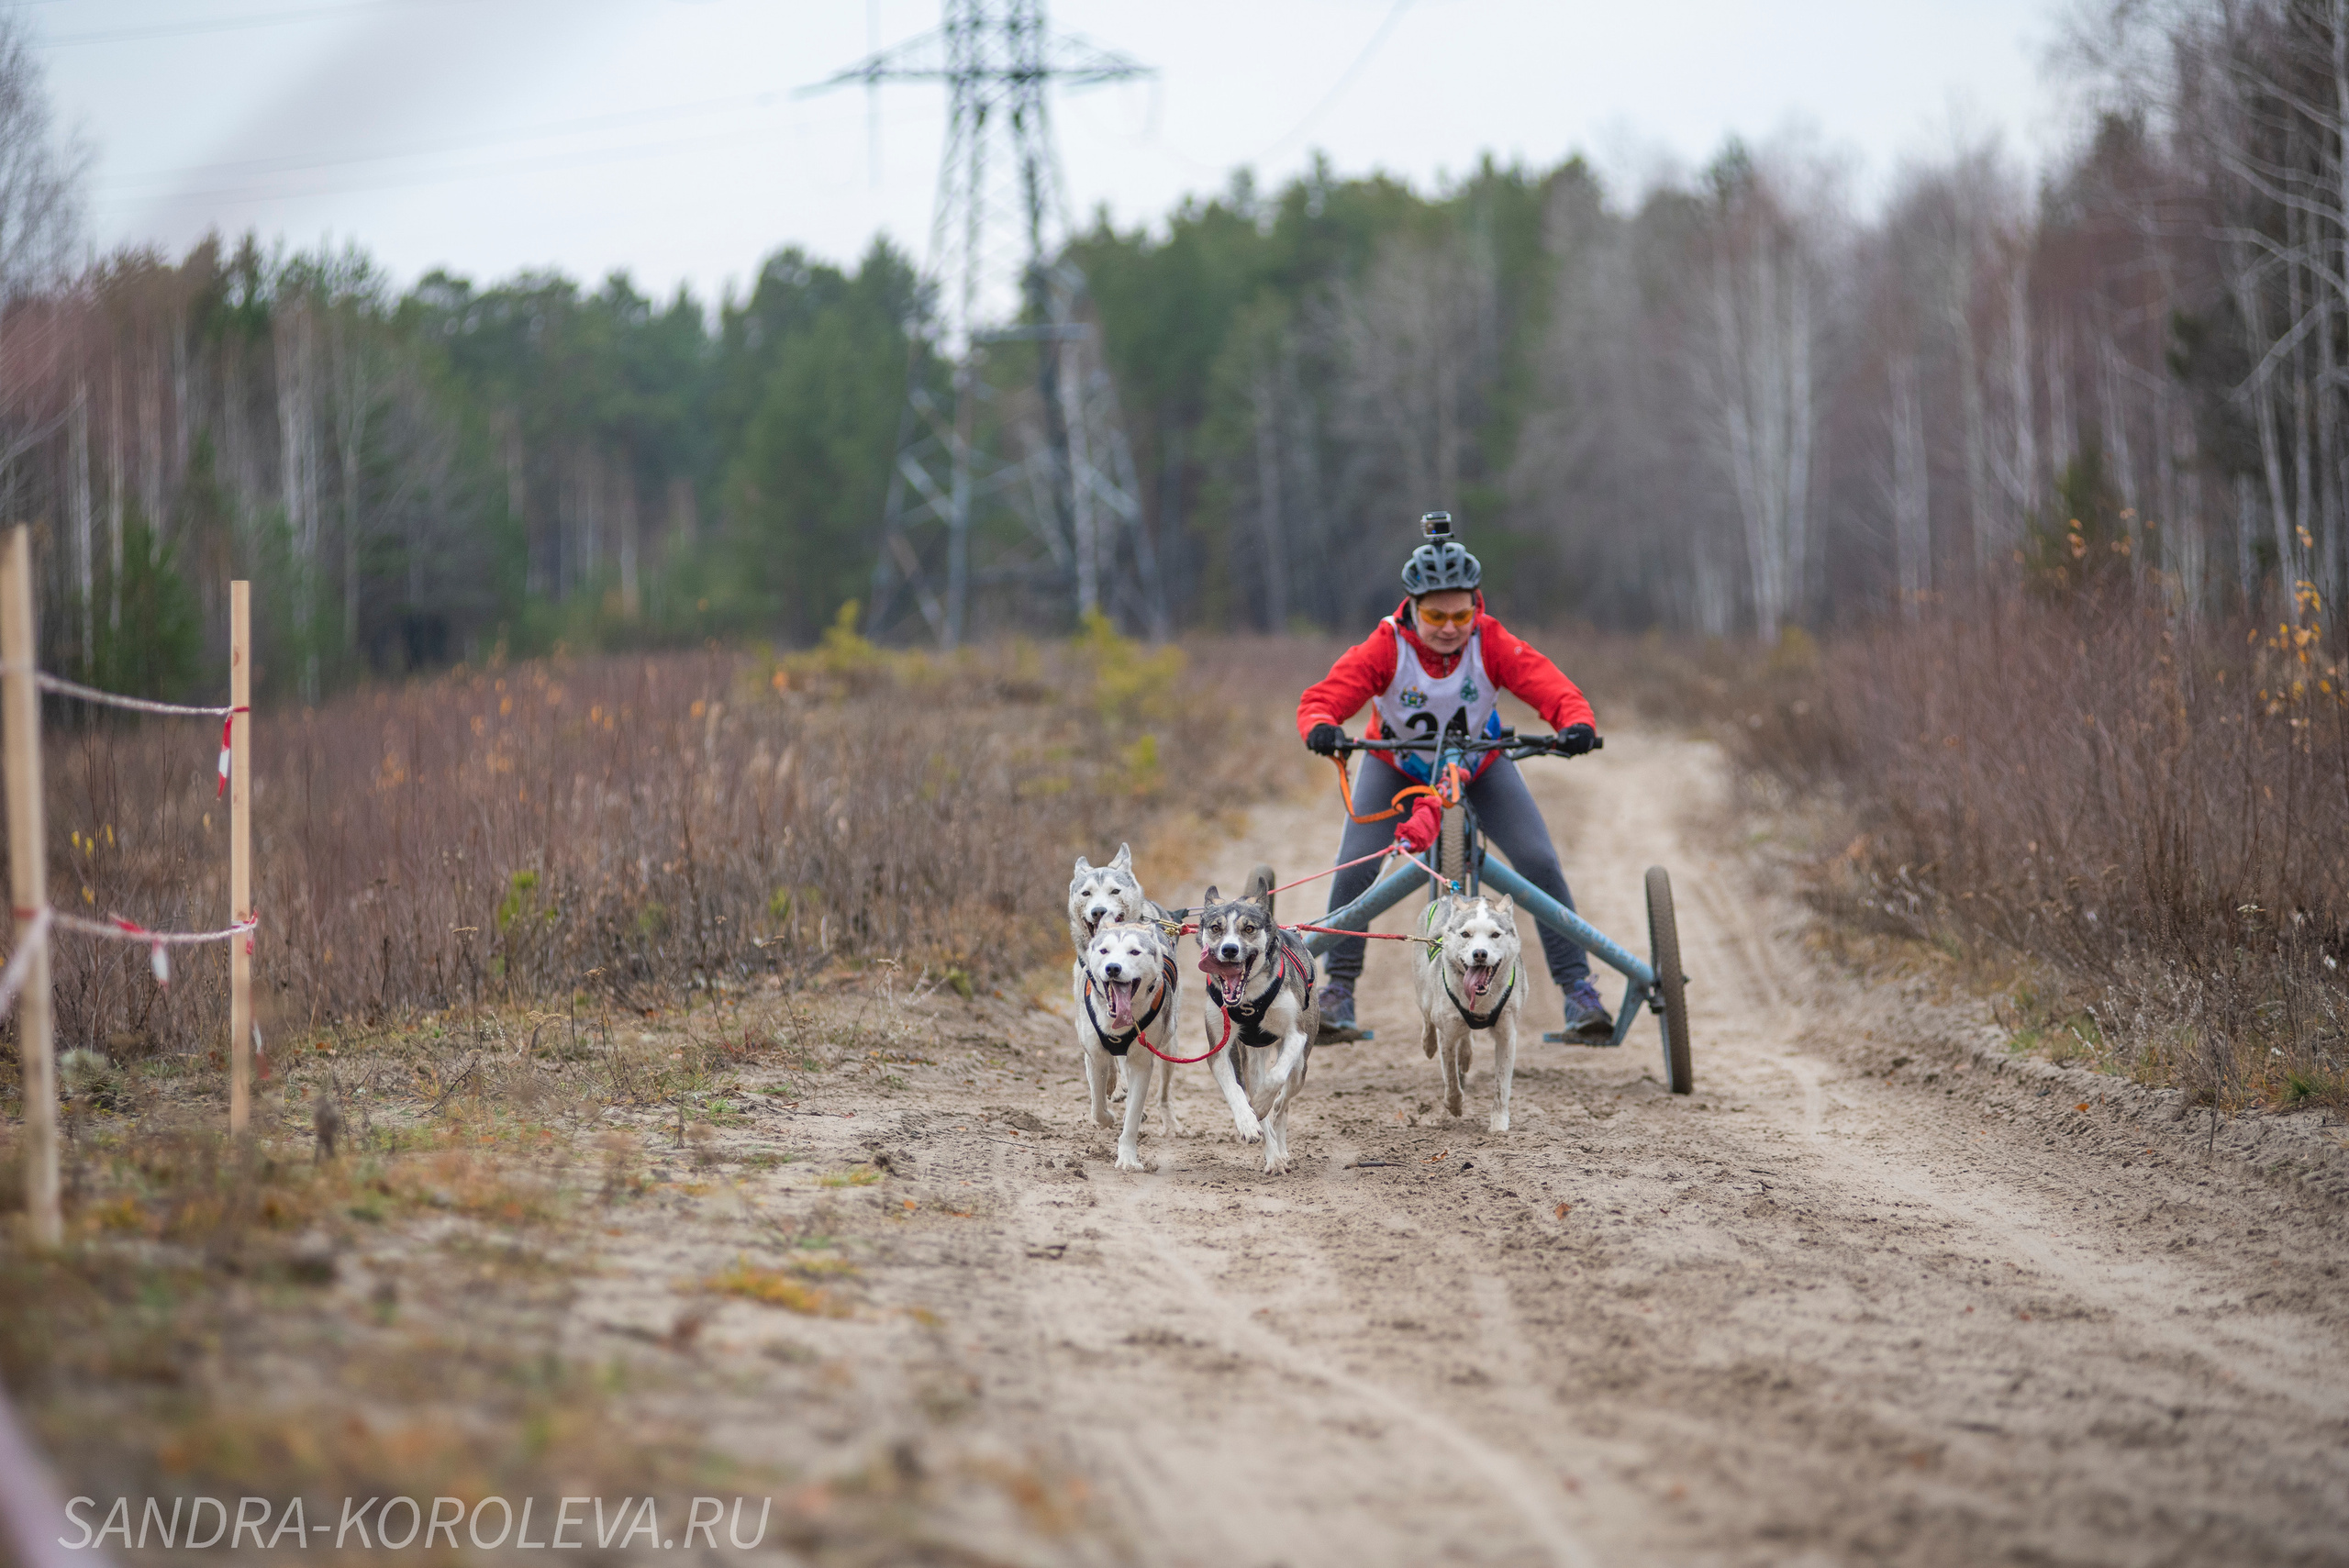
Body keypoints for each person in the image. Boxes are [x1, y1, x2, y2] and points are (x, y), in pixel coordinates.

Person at [1295, 514, 1611, 1041]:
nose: (1448, 627)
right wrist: (1322, 726)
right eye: (1435, 615)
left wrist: (1575, 724)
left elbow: (1551, 687)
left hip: (1479, 765)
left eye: (1461, 613)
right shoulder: (1386, 645)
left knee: (1537, 861)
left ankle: (1580, 992)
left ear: (1476, 606)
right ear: (1412, 608)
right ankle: (1338, 992)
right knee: (1356, 867)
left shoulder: (1490, 641)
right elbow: (1324, 698)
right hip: (1396, 768)